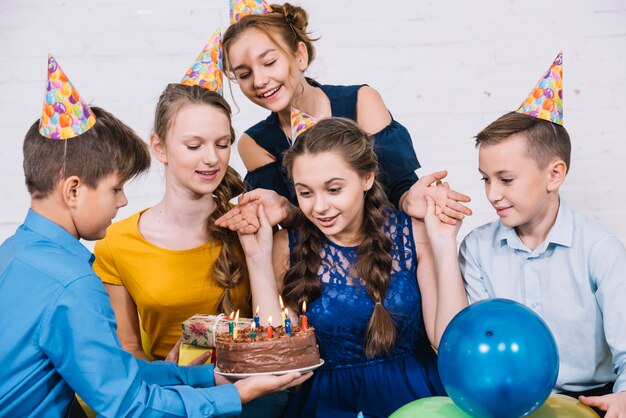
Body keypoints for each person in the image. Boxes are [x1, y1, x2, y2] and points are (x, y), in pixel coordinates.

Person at [0, 55, 309, 417]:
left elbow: (117, 375)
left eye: (222, 144)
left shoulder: (14, 252)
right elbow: (126, 403)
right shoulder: (73, 284)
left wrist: (208, 378)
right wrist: (235, 395)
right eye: (116, 189)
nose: (124, 199)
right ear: (73, 190)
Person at [237, 117, 468, 417]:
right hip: (328, 406)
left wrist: (443, 242)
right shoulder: (286, 246)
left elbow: (450, 340)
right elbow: (279, 359)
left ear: (367, 177)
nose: (318, 207)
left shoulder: (413, 233)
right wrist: (257, 259)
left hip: (417, 400)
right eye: (305, 193)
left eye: (333, 189)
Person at [459, 53, 626, 418]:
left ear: (554, 175)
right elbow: (477, 343)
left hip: (588, 402)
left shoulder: (600, 250)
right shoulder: (476, 249)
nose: (492, 194)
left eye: (506, 179)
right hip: (505, 402)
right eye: (485, 179)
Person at [220, 0, 471, 225]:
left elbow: (399, 187)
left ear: (300, 55)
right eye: (244, 74)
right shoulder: (253, 144)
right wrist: (286, 210)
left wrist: (412, 199)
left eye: (269, 62)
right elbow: (295, 224)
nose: (259, 80)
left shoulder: (361, 102)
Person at [93, 32, 254, 362]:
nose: (212, 158)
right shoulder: (116, 244)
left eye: (222, 144)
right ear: (159, 147)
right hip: (174, 398)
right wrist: (170, 373)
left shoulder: (246, 224)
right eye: (194, 146)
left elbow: (277, 328)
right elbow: (128, 352)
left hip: (253, 390)